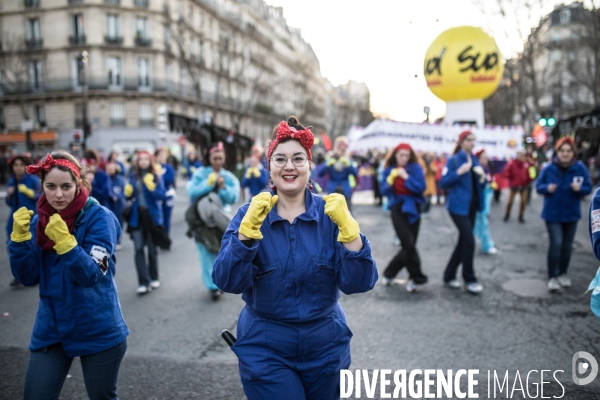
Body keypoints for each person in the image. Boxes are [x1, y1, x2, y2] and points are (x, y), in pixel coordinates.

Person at [213, 117, 377, 399]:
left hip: (326, 345)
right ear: (270, 168)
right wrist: (245, 236)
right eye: (280, 159)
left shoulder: (332, 214)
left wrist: (352, 234)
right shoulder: (248, 216)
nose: (289, 166)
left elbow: (359, 283)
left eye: (298, 159)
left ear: (310, 166)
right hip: (267, 344)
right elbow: (227, 281)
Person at [8, 150, 128, 399]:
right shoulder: (38, 221)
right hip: (52, 328)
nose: (58, 194)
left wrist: (66, 243)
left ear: (78, 183)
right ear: (42, 185)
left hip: (98, 326)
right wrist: (19, 242)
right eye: (50, 186)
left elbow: (93, 274)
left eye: (66, 186)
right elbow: (28, 277)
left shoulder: (100, 218)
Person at [536, 137, 592, 292]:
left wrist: (579, 189)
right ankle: (552, 276)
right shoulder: (548, 168)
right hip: (552, 214)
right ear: (557, 152)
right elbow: (538, 186)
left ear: (573, 153)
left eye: (568, 151)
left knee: (567, 247)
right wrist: (547, 188)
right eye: (562, 151)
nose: (565, 154)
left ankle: (563, 273)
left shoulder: (580, 168)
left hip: (571, 214)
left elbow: (588, 188)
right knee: (556, 244)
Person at [186, 142, 240, 300]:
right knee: (205, 251)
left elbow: (233, 197)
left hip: (221, 219)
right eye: (214, 158)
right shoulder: (201, 174)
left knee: (221, 251)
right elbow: (192, 191)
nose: (217, 161)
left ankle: (221, 279)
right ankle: (212, 286)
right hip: (201, 220)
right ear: (209, 158)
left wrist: (223, 188)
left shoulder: (228, 176)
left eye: (220, 158)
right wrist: (208, 183)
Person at [440, 131, 486, 294]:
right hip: (458, 207)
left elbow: (478, 183)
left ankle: (449, 274)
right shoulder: (453, 160)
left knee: (463, 242)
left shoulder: (474, 159)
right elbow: (443, 182)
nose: (472, 143)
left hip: (472, 206)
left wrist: (483, 179)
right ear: (461, 142)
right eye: (469, 140)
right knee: (470, 241)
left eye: (474, 140)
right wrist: (459, 172)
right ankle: (470, 279)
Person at [379, 143, 428, 292]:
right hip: (397, 207)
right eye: (401, 155)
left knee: (409, 245)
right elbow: (384, 191)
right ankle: (417, 276)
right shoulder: (388, 169)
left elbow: (421, 188)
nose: (404, 158)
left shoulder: (416, 168)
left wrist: (406, 177)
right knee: (408, 243)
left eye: (407, 155)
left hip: (413, 207)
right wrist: (390, 180)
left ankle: (389, 273)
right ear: (395, 155)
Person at [125, 151, 166, 294]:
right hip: (137, 216)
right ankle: (143, 282)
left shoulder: (156, 176)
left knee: (152, 249)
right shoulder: (133, 176)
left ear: (150, 161)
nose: (142, 161)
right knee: (138, 248)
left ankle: (154, 277)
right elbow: (128, 196)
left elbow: (161, 196)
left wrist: (151, 187)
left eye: (145, 159)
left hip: (151, 217)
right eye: (140, 159)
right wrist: (128, 192)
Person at [5, 154, 40, 288]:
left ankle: (33, 271)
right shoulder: (12, 181)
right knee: (12, 245)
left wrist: (29, 192)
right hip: (14, 220)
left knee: (31, 246)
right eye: (15, 165)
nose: (18, 168)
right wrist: (9, 194)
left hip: (31, 218)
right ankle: (18, 274)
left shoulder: (33, 180)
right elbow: (9, 203)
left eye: (21, 165)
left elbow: (40, 196)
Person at [318, 136, 358, 213]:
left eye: (344, 150)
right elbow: (320, 173)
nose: (342, 152)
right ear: (336, 148)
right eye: (340, 149)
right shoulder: (330, 159)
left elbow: (355, 173)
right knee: (332, 216)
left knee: (348, 215)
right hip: (333, 190)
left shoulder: (348, 160)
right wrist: (327, 164)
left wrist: (349, 164)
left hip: (345, 190)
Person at [473, 149, 500, 255]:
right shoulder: (477, 170)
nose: (485, 160)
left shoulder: (486, 168)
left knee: (483, 221)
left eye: (486, 158)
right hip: (480, 199)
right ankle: (485, 244)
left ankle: (485, 242)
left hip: (485, 197)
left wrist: (491, 184)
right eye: (483, 158)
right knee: (482, 221)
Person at [503, 151, 533, 223]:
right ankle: (507, 214)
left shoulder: (525, 163)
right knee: (510, 201)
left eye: (521, 156)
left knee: (523, 201)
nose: (520, 157)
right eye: (519, 155)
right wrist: (510, 177)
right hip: (514, 185)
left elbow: (529, 172)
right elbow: (506, 171)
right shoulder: (512, 163)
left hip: (524, 185)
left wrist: (528, 180)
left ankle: (521, 216)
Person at [105, 162, 127, 250]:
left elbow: (124, 190)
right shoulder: (105, 178)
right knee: (109, 222)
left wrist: (117, 196)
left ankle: (118, 240)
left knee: (119, 222)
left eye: (112, 169)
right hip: (108, 203)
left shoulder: (120, 178)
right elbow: (106, 189)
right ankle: (111, 241)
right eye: (108, 169)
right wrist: (111, 195)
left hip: (119, 204)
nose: (110, 171)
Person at [155, 148, 176, 235]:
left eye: (163, 155)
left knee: (166, 218)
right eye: (160, 155)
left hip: (167, 195)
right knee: (157, 218)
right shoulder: (153, 167)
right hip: (156, 195)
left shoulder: (168, 167)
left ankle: (165, 237)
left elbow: (169, 179)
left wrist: (159, 177)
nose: (162, 157)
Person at [419, 152, 437, 216]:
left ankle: (427, 211)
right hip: (424, 182)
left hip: (430, 183)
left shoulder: (431, 163)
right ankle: (423, 211)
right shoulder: (420, 162)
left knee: (429, 199)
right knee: (425, 199)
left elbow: (434, 171)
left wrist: (429, 166)